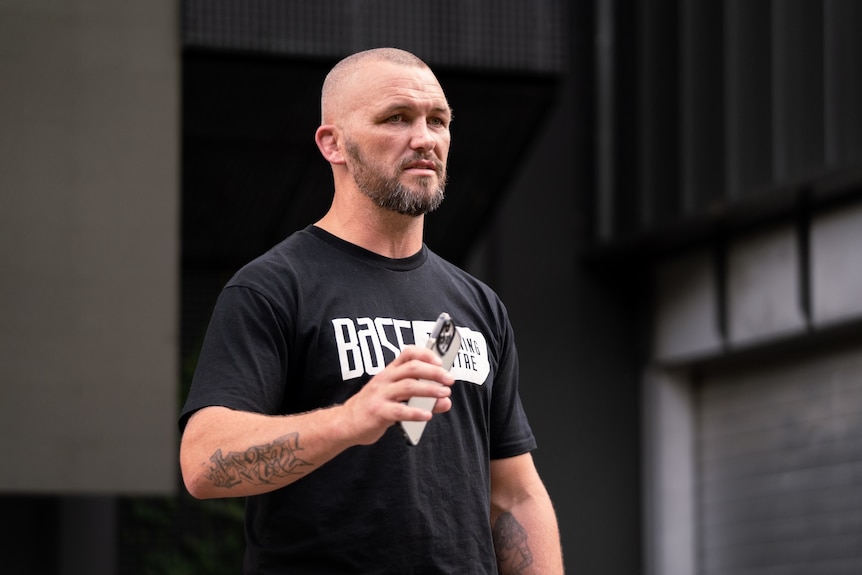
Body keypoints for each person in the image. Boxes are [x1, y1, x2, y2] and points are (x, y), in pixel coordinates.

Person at [179, 47, 564, 574]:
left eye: (438, 121)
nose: (425, 138)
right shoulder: (274, 287)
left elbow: (515, 495)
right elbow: (204, 464)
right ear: (332, 143)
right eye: (396, 118)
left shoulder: (475, 305)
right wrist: (350, 421)